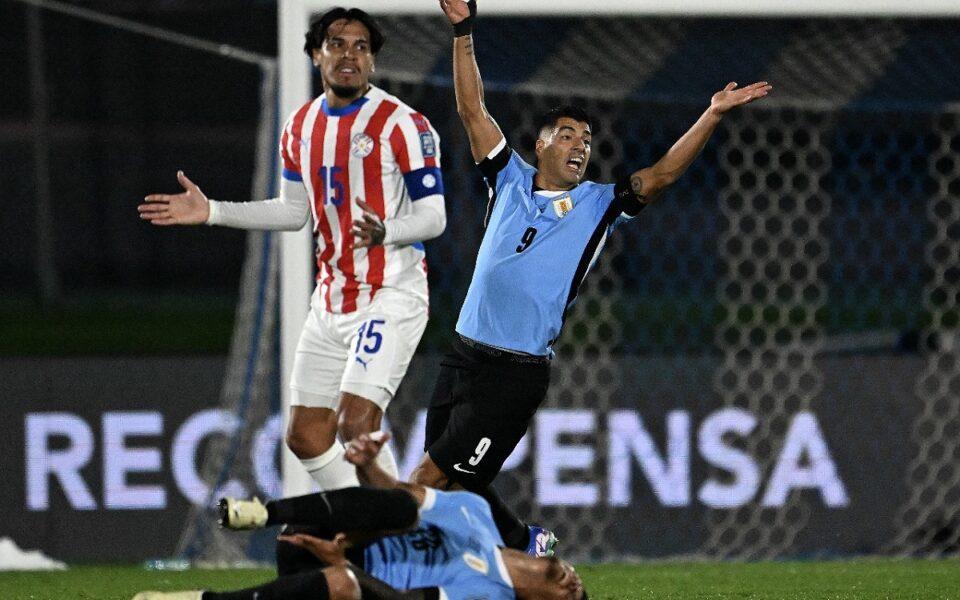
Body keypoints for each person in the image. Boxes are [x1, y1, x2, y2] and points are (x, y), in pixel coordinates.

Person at [406, 0, 774, 556]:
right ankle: (529, 546)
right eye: (568, 135)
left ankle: (362, 565)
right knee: (453, 486)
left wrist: (713, 114)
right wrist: (463, 30)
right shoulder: (507, 178)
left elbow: (663, 174)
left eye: (587, 140)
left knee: (425, 482)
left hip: (514, 373)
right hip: (463, 356)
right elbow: (471, 108)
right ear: (541, 144)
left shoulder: (600, 204)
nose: (581, 145)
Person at [138, 8, 447, 490]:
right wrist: (213, 211)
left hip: (390, 294)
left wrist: (387, 231)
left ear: (373, 61)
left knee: (355, 422)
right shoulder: (300, 126)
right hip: (331, 301)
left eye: (361, 47)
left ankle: (392, 526)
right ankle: (377, 514)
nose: (349, 55)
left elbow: (434, 217)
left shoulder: (402, 124)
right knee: (305, 435)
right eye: (337, 44)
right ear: (316, 54)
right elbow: (292, 212)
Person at [132, 432, 588, 600]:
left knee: (345, 586)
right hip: (327, 529)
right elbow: (397, 495)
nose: (574, 587)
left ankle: (199, 599)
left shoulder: (487, 595)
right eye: (578, 587)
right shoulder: (476, 513)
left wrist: (344, 565)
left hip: (343, 581)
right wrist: (367, 465)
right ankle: (263, 513)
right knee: (405, 507)